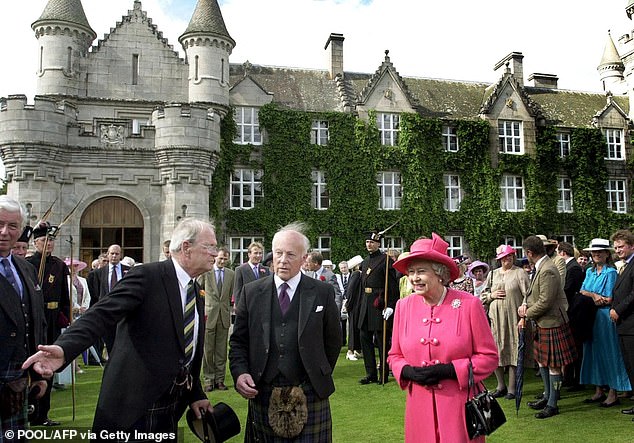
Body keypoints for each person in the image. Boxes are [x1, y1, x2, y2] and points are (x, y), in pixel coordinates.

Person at [22, 217, 217, 438]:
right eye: (210, 246)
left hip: (170, 408)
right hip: (133, 406)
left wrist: (195, 394)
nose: (215, 253)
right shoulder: (147, 276)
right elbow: (101, 314)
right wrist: (64, 349)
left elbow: (185, 351)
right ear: (186, 248)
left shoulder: (195, 291)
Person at [229, 222, 341, 441]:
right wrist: (240, 372)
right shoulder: (251, 292)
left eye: (290, 254)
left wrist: (318, 371)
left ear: (304, 258)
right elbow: (239, 341)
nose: (282, 260)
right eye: (278, 253)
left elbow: (334, 341)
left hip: (310, 390)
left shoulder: (322, 292)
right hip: (263, 390)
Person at [387, 233, 498, 443]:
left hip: (460, 406)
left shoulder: (469, 305)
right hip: (419, 406)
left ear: (440, 273)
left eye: (421, 271)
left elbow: (489, 357)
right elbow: (394, 355)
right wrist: (407, 371)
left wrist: (451, 370)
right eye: (411, 272)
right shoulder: (403, 306)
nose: (414, 278)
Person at [0, 196, 47, 439]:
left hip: (18, 379)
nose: (5, 232)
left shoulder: (26, 268)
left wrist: (37, 374)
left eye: (12, 226)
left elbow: (36, 321)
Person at [519, 235, 576, 419]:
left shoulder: (548, 269)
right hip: (543, 322)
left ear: (529, 252)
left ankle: (553, 403)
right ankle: (547, 395)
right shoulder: (541, 267)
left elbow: (546, 301)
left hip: (552, 322)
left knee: (554, 366)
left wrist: (526, 315)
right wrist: (525, 306)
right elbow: (534, 296)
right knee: (543, 362)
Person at [578, 238, 631, 407]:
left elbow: (609, 299)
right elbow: (582, 291)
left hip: (605, 318)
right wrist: (594, 296)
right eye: (594, 252)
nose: (596, 254)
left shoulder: (611, 272)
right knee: (593, 354)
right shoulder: (589, 272)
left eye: (600, 251)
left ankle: (613, 392)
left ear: (607, 254)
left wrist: (591, 296)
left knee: (610, 353)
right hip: (590, 317)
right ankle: (598, 390)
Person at [27, 222, 70, 427]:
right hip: (36, 316)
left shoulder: (59, 265)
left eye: (51, 240)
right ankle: (30, 411)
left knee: (49, 365)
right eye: (45, 240)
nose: (49, 244)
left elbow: (64, 295)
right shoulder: (28, 264)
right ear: (36, 243)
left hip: (53, 318)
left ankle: (43, 414)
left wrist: (65, 316)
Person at [480, 245, 530, 400]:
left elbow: (528, 295)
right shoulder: (493, 274)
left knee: (513, 350)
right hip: (496, 320)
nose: (507, 259)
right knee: (497, 352)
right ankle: (500, 385)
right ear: (499, 259)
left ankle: (512, 388)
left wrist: (524, 314)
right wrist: (491, 295)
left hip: (513, 319)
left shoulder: (520, 273)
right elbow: (482, 295)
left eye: (509, 256)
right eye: (504, 257)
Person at [357, 230, 399, 384]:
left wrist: (391, 305)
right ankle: (371, 374)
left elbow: (393, 287)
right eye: (368, 242)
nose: (369, 244)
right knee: (364, 338)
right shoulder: (365, 262)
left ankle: (383, 374)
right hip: (366, 304)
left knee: (381, 341)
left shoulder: (386, 260)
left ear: (378, 244)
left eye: (373, 242)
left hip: (379, 303)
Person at [197, 246, 234, 392]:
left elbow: (231, 294)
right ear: (215, 257)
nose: (222, 261)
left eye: (225, 259)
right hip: (209, 315)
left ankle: (220, 380)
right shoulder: (207, 272)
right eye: (220, 258)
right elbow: (197, 287)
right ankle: (208, 380)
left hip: (224, 316)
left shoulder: (231, 274)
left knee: (221, 351)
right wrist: (204, 301)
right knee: (208, 350)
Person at [86, 244, 131, 357]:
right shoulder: (98, 273)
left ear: (121, 255)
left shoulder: (129, 271)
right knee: (110, 345)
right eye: (112, 253)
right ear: (108, 254)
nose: (114, 256)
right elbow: (95, 295)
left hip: (124, 314)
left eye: (117, 254)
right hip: (107, 314)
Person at [609, 230, 634, 418]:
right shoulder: (624, 265)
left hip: (631, 323)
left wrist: (618, 310)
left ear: (631, 246)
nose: (618, 250)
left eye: (621, 246)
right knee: (629, 366)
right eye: (616, 247)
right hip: (624, 325)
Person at [558, 241, 586, 391]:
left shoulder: (573, 267)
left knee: (575, 348)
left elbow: (568, 289)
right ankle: (569, 378)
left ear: (563, 253)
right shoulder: (571, 266)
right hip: (571, 311)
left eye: (558, 253)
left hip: (575, 312)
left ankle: (577, 380)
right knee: (571, 347)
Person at [233, 241, 269, 307]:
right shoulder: (240, 270)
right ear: (249, 254)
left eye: (260, 253)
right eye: (255, 253)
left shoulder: (266, 270)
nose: (258, 255)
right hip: (247, 306)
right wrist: (239, 308)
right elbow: (237, 291)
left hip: (263, 307)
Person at [343, 255, 364, 361]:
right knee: (353, 327)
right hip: (355, 305)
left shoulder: (358, 274)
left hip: (357, 304)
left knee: (357, 327)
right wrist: (348, 304)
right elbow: (350, 291)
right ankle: (350, 350)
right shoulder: (356, 274)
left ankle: (357, 349)